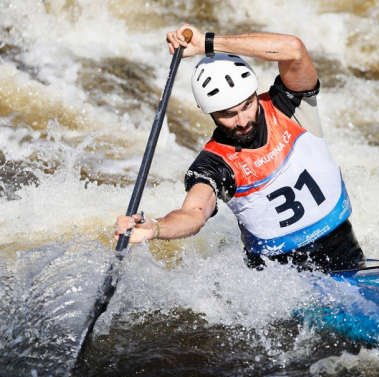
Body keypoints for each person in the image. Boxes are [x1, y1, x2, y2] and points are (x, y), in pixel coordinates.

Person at [115, 24, 365, 272]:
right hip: (279, 283)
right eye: (228, 114)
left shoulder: (289, 105)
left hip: (346, 257)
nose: (243, 121)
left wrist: (207, 44)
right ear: (210, 113)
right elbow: (194, 213)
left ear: (255, 94)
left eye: (247, 105)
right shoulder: (213, 164)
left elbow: (293, 49)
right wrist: (157, 228)